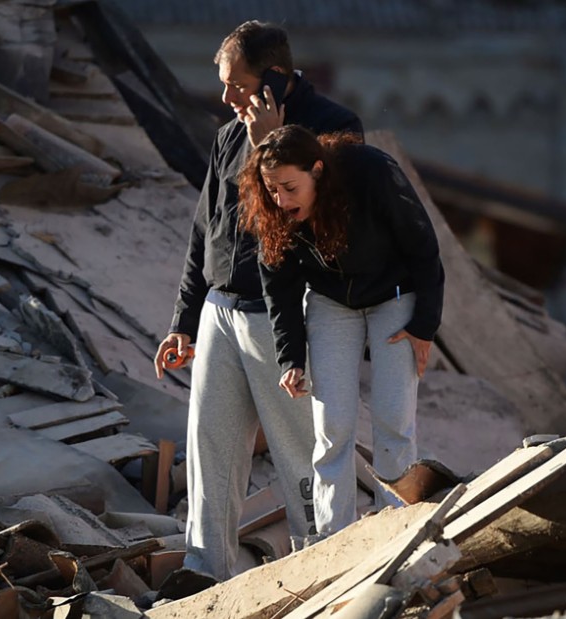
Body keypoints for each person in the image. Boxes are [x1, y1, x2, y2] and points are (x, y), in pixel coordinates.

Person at [153, 21, 363, 580]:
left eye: (235, 83)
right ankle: (204, 569)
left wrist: (268, 145)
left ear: (274, 79)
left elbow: (325, 232)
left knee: (301, 454)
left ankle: (315, 569)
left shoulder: (335, 130)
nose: (225, 97)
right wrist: (183, 321)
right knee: (209, 448)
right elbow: (205, 232)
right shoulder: (227, 136)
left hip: (285, 319)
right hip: (220, 313)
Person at [238, 125, 445, 538]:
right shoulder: (276, 212)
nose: (280, 201)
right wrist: (291, 359)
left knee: (393, 420)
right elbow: (279, 288)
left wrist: (424, 326)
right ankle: (334, 541)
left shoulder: (371, 173)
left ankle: (398, 532)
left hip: (394, 297)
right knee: (331, 427)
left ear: (317, 170)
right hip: (331, 304)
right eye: (272, 190)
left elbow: (424, 247)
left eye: (290, 188)